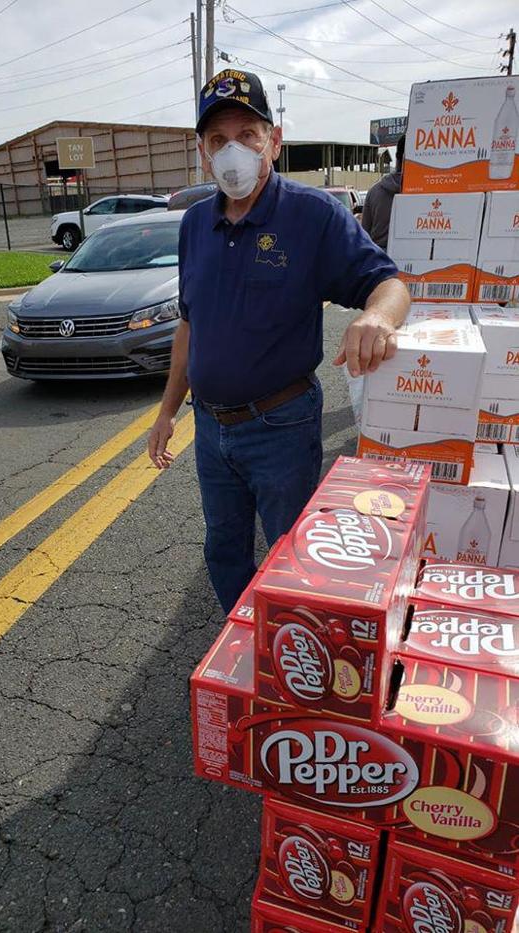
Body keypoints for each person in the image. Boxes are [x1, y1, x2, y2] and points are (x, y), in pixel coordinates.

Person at [147, 70, 409, 614]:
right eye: (218, 141)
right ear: (202, 153)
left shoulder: (312, 216)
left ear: (275, 140)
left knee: (294, 553)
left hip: (280, 426)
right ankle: (240, 643)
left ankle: (293, 653)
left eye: (247, 134)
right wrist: (167, 411)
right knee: (224, 549)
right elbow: (189, 326)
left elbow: (389, 285)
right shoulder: (195, 224)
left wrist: (378, 319)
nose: (232, 152)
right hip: (212, 427)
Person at [361, 134, 405, 251]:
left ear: (397, 158)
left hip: (380, 262)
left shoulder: (374, 191)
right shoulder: (425, 194)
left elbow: (363, 238)